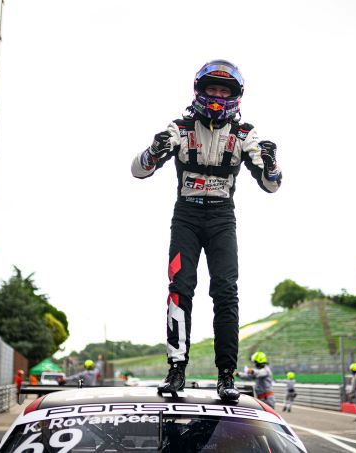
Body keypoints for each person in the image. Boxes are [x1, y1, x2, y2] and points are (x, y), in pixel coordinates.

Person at [131, 60, 282, 401]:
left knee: (226, 293)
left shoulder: (246, 135)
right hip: (185, 216)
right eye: (211, 89)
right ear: (199, 91)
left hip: (222, 219)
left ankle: (226, 375)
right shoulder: (179, 129)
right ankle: (176, 370)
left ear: (235, 96)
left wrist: (272, 164)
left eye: (223, 91)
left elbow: (272, 186)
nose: (216, 97)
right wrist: (153, 151)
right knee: (179, 290)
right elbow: (138, 171)